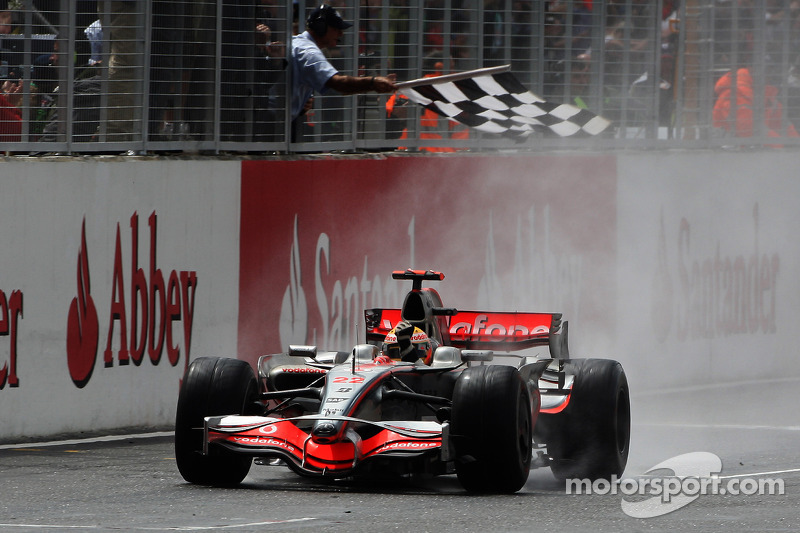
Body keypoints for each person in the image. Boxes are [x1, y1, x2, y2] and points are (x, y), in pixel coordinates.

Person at [290, 3, 397, 137]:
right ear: (320, 27)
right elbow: (339, 84)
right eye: (336, 28)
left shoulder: (297, 42)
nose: (341, 33)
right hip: (274, 121)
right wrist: (373, 82)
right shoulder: (309, 52)